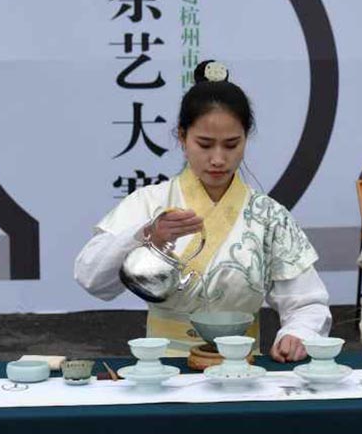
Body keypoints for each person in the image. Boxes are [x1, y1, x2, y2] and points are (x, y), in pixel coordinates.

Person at [75, 60, 331, 361]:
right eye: (205, 144)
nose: (218, 159)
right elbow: (90, 276)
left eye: (231, 144)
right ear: (182, 138)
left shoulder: (269, 216)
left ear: (246, 139)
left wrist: (297, 335)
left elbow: (307, 302)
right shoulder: (150, 203)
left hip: (242, 365)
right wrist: (145, 236)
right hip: (162, 366)